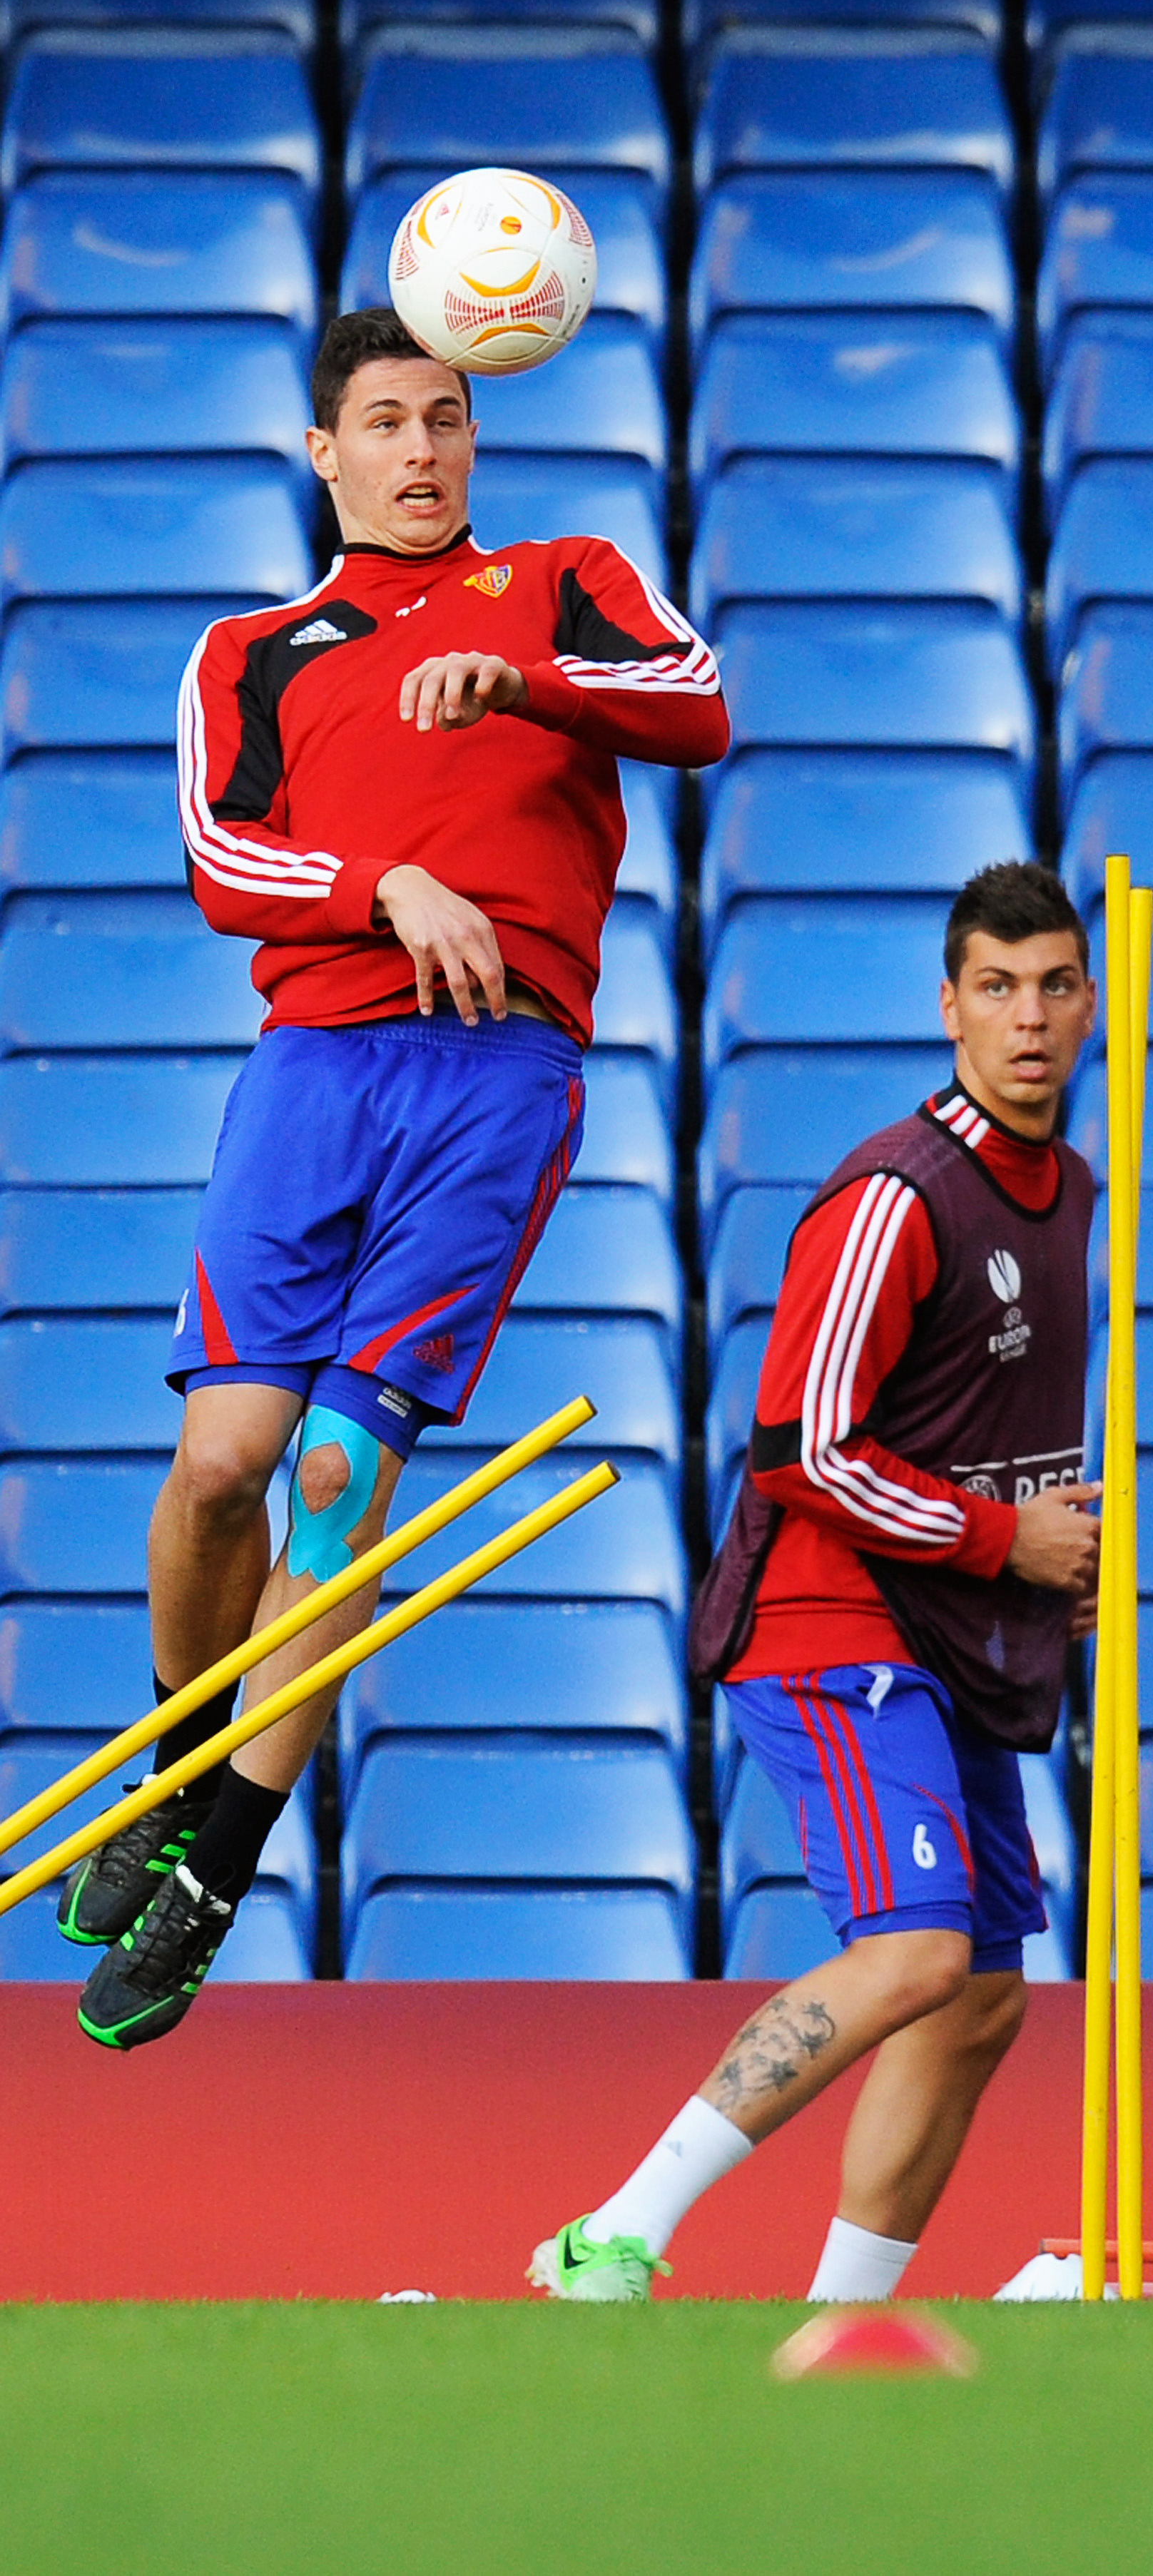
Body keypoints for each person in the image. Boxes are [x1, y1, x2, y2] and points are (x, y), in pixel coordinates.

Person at [67, 307, 731, 2050]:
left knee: (347, 1485)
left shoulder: (565, 581)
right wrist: (388, 888)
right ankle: (167, 1763)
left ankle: (216, 1872)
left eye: (446, 418)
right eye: (386, 422)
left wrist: (527, 681)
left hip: (500, 1074)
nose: (424, 450)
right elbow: (224, 859)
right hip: (315, 1072)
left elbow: (700, 704)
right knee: (226, 1468)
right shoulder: (254, 651)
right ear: (325, 454)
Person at [530, 860, 1101, 2303]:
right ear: (950, 1007)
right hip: (832, 1620)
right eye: (996, 988)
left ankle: (845, 2316)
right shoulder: (895, 1194)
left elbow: (990, 1442)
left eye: (1053, 987)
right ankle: (615, 2232)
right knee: (917, 1957)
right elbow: (797, 1450)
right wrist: (1001, 1545)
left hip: (959, 1638)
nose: (1027, 1018)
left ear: (1089, 1003)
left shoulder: (1074, 1190)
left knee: (977, 2003)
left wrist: (1052, 1557)